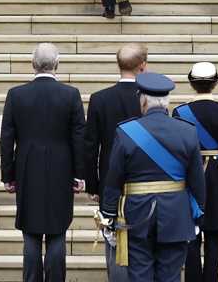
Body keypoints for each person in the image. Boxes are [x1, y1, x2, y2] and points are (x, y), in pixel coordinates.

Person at [99, 72, 205, 282]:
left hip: (137, 214)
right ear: (167, 102)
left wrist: (108, 215)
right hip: (176, 213)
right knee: (171, 276)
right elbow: (197, 181)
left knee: (139, 275)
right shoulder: (187, 131)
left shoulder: (126, 131)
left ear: (143, 100)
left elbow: (114, 180)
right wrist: (197, 214)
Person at [0, 43, 86, 282]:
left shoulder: (16, 94)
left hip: (27, 168)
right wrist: (80, 174)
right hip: (62, 168)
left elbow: (7, 138)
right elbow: (79, 137)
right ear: (57, 64)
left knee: (31, 232)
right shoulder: (70, 94)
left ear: (32, 64)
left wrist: (8, 175)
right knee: (57, 231)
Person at [84, 43, 146, 282]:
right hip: (144, 179)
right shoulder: (149, 98)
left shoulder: (100, 99)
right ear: (143, 66)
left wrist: (93, 185)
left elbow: (91, 146)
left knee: (113, 241)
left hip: (110, 179)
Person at [172, 62, 218, 282]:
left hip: (190, 176)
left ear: (191, 83)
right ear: (215, 83)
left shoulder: (180, 112)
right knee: (213, 239)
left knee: (191, 238)